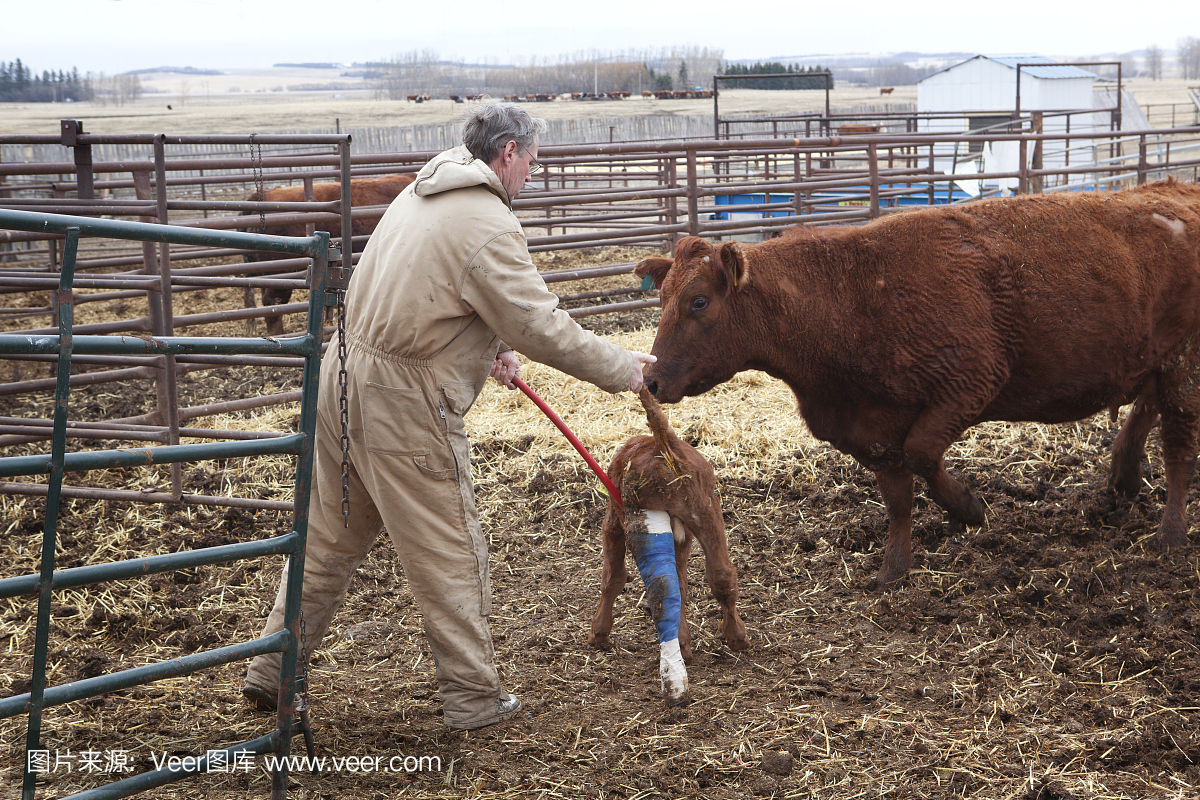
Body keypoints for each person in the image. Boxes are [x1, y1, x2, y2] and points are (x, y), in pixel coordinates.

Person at [243, 102, 655, 731]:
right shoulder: (487, 223)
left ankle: (272, 668)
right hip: (404, 402)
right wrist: (622, 368)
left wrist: (490, 343)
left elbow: (432, 290)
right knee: (451, 548)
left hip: (345, 375)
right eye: (532, 163)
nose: (531, 177)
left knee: (330, 536)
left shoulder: (423, 190)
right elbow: (540, 323)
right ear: (509, 153)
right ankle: (473, 697)